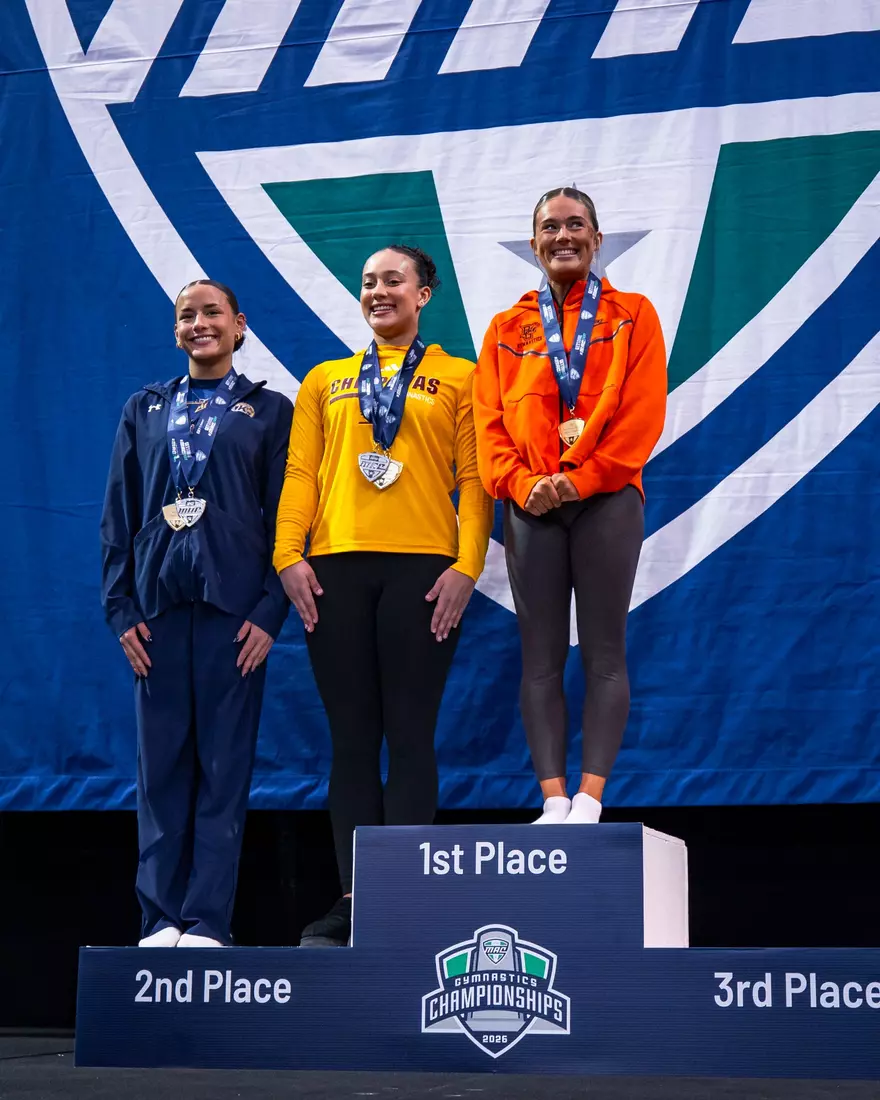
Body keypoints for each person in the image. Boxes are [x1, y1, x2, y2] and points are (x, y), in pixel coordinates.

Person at [274, 245, 493, 947]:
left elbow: (476, 479)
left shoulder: (460, 376)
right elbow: (302, 472)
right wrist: (287, 555)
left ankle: (405, 898)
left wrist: (467, 566)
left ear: (424, 293)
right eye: (367, 281)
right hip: (333, 568)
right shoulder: (324, 380)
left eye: (393, 280)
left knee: (410, 732)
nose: (378, 291)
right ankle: (353, 900)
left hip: (424, 571)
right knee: (352, 740)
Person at [100, 280, 292, 947]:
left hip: (233, 617)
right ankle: (158, 919)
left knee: (223, 771)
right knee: (160, 775)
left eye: (212, 313)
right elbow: (117, 517)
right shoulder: (144, 410)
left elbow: (289, 522)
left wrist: (271, 612)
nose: (199, 323)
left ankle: (207, 919)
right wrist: (121, 609)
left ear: (239, 326)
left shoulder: (270, 412)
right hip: (155, 615)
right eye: (188, 315)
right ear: (176, 331)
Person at [473, 187, 667, 825]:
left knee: (606, 650)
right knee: (540, 657)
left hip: (607, 499)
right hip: (530, 503)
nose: (564, 236)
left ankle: (590, 797)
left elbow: (641, 418)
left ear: (597, 237)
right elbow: (489, 424)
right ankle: (552, 800)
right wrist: (520, 483)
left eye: (576, 225)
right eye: (550, 227)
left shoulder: (634, 314)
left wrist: (580, 481)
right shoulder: (506, 328)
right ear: (532, 245)